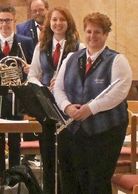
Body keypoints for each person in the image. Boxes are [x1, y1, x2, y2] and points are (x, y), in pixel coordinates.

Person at [53, 12, 132, 193]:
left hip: (106, 131)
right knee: (75, 180)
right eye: (89, 31)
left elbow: (118, 92)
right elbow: (58, 87)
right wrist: (67, 106)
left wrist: (91, 108)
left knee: (97, 181)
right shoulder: (71, 58)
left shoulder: (117, 60)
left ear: (105, 35)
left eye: (97, 32)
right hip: (75, 129)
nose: (92, 36)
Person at [27, 6, 84, 194]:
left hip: (68, 109)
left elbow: (82, 79)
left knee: (67, 157)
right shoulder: (41, 47)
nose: (58, 23)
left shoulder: (79, 48)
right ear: (48, 23)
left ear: (69, 23)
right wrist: (43, 86)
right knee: (48, 155)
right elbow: (33, 75)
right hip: (46, 106)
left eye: (62, 20)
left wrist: (62, 85)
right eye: (54, 20)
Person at [0, 4, 34, 170]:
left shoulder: (26, 42)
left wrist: (30, 68)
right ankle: (0, 173)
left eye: (8, 20)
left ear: (15, 21)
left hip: (18, 97)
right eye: (1, 21)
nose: (5, 24)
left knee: (15, 136)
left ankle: (16, 174)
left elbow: (34, 68)